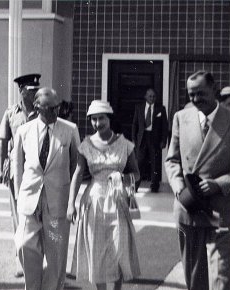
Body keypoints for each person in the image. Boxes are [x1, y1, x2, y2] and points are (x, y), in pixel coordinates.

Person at [165, 71, 230, 290]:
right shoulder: (180, 118)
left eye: (201, 94)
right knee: (195, 278)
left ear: (214, 90)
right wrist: (179, 189)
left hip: (222, 210)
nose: (195, 100)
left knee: (222, 277)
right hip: (189, 209)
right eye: (191, 94)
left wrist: (220, 183)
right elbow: (172, 160)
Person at [67, 100, 141, 290]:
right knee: (97, 247)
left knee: (118, 248)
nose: (97, 123)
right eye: (93, 119)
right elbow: (77, 174)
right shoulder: (86, 145)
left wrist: (123, 177)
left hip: (118, 201)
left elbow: (137, 173)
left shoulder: (125, 144)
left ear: (110, 119)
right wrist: (71, 204)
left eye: (101, 118)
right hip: (94, 199)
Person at [13, 87, 80, 290]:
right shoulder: (24, 131)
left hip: (57, 202)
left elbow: (76, 166)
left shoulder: (70, 130)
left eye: (57, 107)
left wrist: (70, 200)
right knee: (24, 245)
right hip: (30, 200)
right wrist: (19, 198)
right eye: (49, 108)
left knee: (56, 253)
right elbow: (18, 166)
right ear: (37, 107)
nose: (55, 112)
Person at [0, 73, 40, 277]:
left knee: (38, 214)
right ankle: (21, 259)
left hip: (39, 170)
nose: (36, 93)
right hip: (17, 171)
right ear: (22, 91)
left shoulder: (42, 112)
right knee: (19, 216)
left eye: (37, 89)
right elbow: (3, 143)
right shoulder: (11, 113)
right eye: (32, 90)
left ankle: (39, 258)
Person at [132, 88, 168, 192]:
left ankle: (154, 186)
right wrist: (134, 139)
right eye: (150, 96)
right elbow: (135, 124)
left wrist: (164, 140)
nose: (152, 98)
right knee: (139, 163)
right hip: (142, 138)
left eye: (154, 96)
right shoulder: (139, 107)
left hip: (154, 138)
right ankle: (135, 186)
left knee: (155, 163)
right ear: (145, 97)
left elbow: (164, 126)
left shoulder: (160, 109)